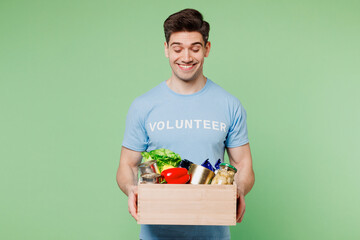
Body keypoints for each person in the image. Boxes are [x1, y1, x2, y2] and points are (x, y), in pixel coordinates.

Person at [116, 8, 255, 240]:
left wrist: (239, 189)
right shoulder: (143, 106)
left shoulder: (229, 105)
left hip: (213, 234)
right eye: (178, 48)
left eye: (195, 48)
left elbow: (243, 164)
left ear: (207, 49)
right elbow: (127, 165)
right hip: (155, 235)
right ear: (166, 49)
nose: (186, 57)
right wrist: (131, 189)